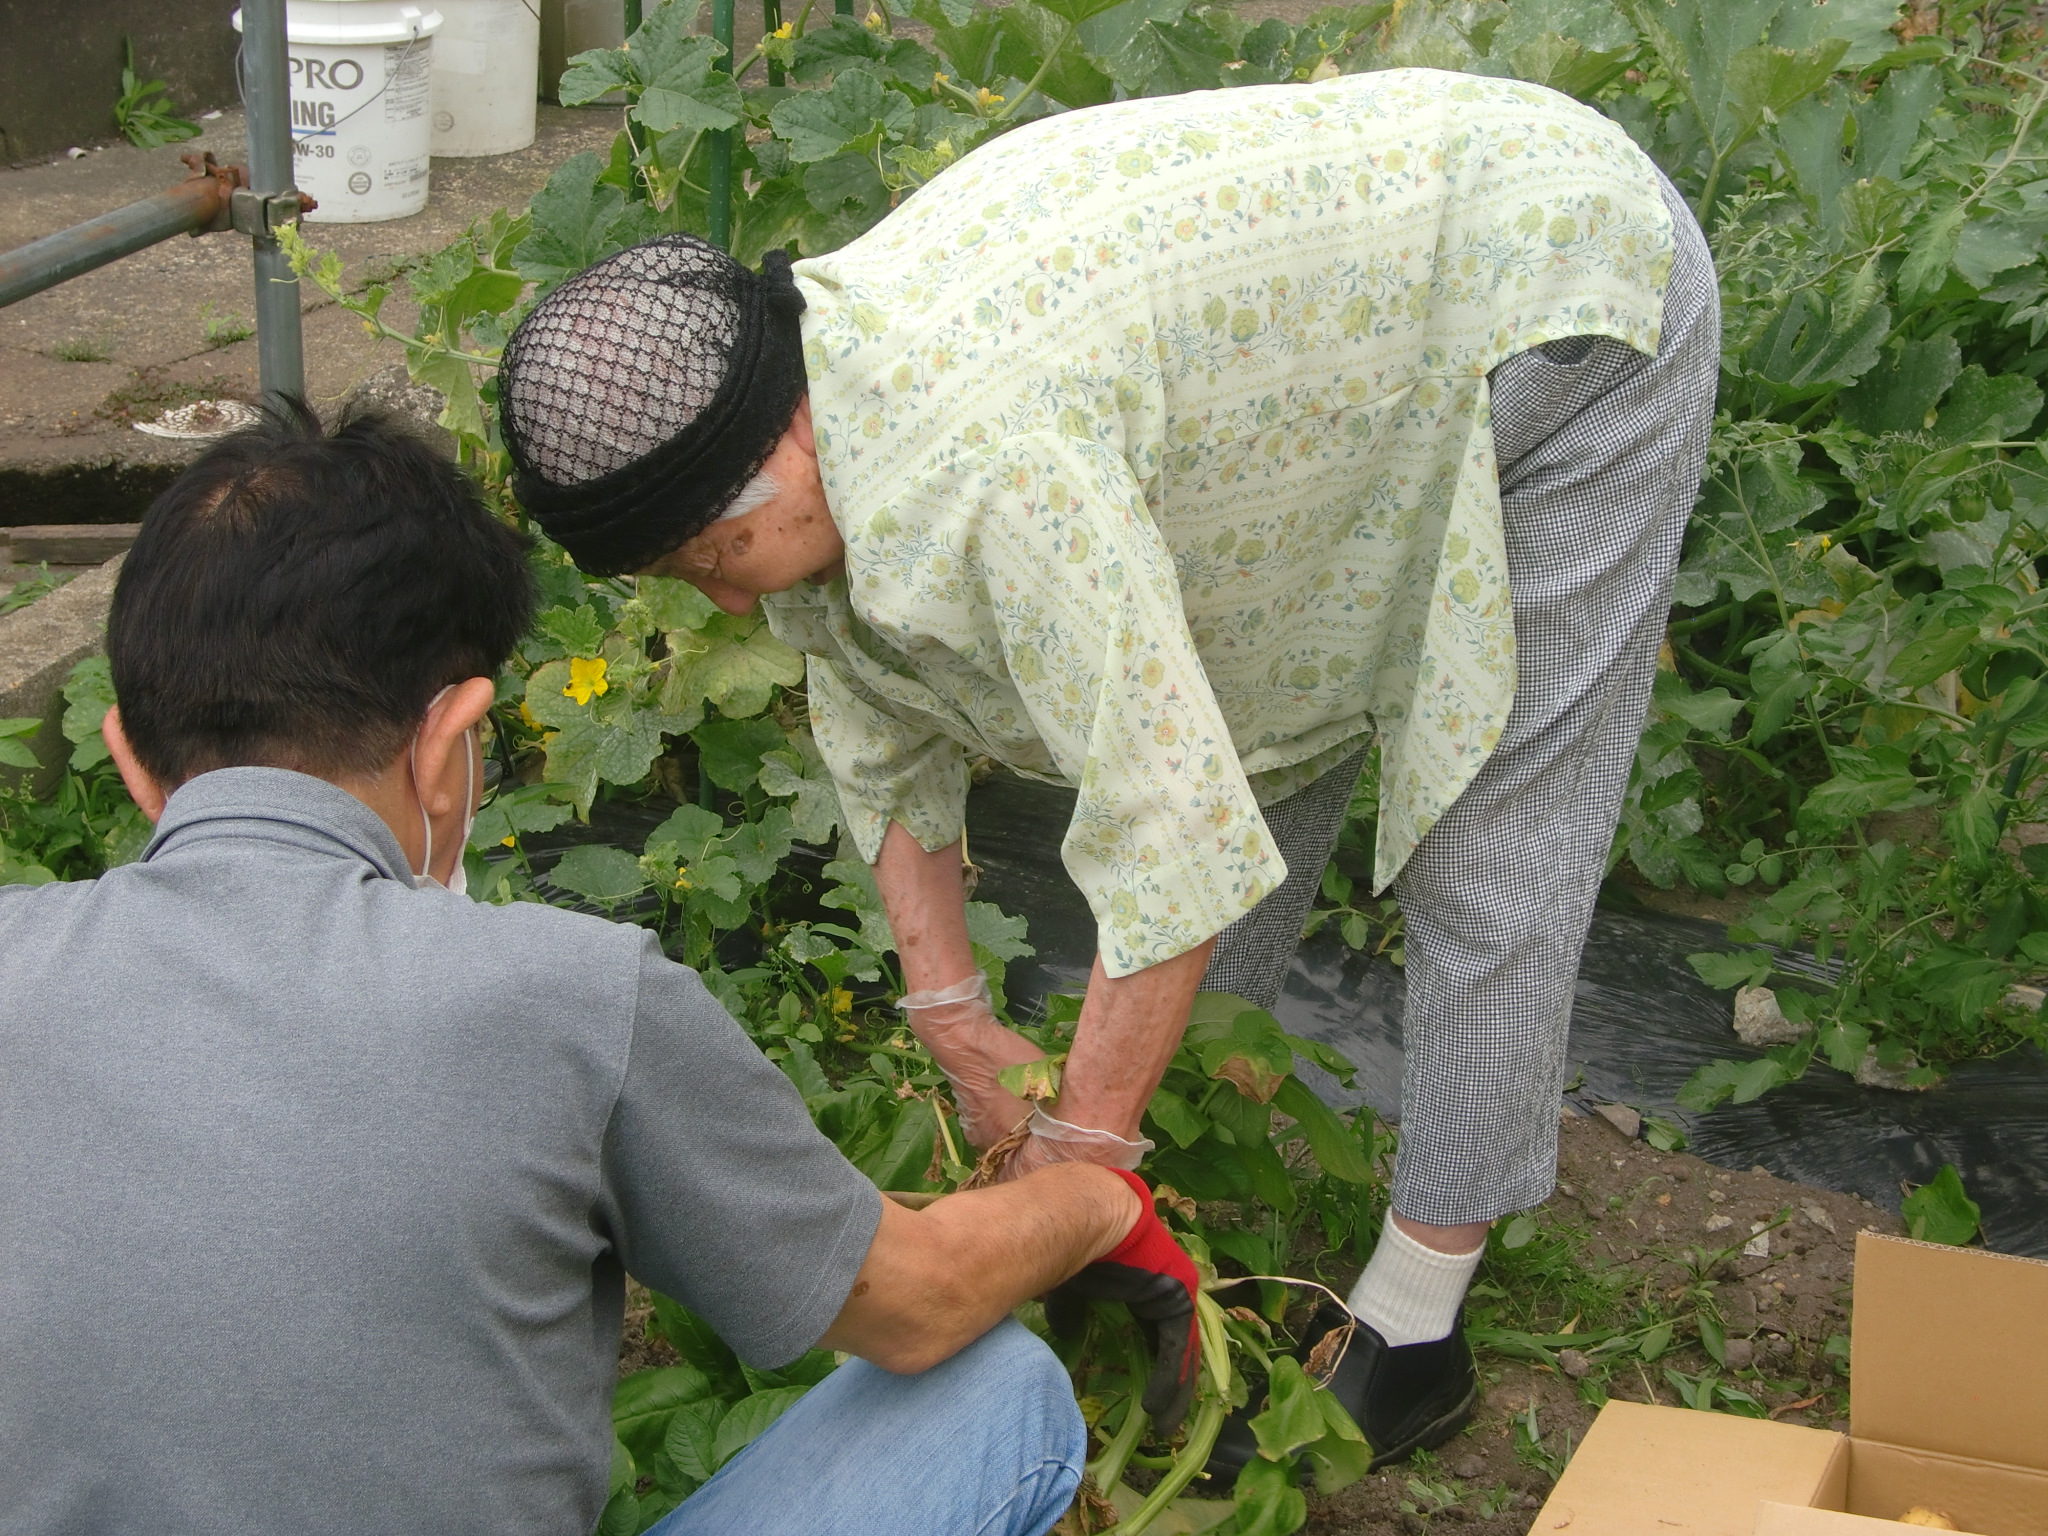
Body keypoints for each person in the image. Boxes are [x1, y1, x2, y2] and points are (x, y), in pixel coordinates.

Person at [495, 67, 1719, 1468]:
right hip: (1324, 360)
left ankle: (1417, 1323)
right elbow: (869, 700)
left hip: (1558, 288)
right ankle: (1195, 1181)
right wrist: (951, 1017)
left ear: (784, 444)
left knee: (1494, 828)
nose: (723, 606)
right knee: (1238, 725)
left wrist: (1080, 1163)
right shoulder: (813, 405)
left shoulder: (993, 464)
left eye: (716, 558)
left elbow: (1164, 827)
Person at [0, 404, 1203, 1536]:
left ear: (128, 757)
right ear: (452, 739)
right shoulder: (565, 996)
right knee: (995, 1395)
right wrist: (1098, 1197)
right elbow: (919, 1299)